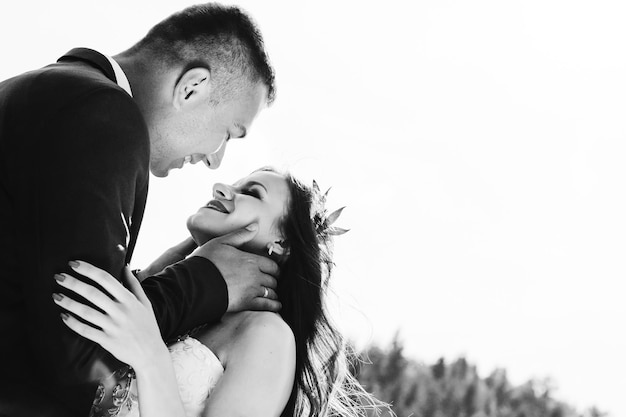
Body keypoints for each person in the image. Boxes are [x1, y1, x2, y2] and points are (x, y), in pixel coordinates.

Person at [0, 4, 280, 415]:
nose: (215, 161)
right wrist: (204, 283)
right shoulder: (102, 114)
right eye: (228, 133)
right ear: (193, 88)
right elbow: (80, 352)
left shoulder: (51, 89)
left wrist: (153, 278)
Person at [53, 168, 379, 417]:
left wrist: (151, 358)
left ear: (282, 243)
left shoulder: (268, 336)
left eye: (251, 192)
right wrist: (160, 273)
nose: (220, 187)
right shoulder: (190, 307)